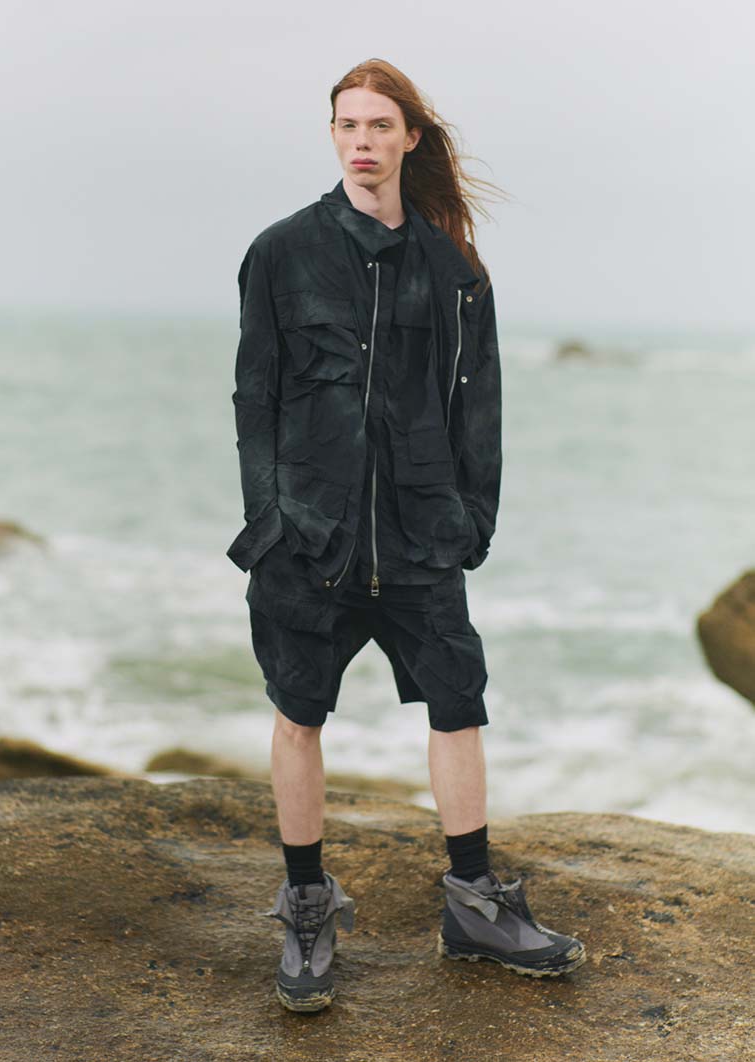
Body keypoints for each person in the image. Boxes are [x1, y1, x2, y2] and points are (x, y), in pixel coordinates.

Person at [227, 58, 587, 1013]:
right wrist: (270, 519)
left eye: (379, 125)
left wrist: (474, 518)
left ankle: (473, 904)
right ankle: (307, 908)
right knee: (298, 714)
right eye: (348, 125)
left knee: (458, 704)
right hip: (312, 537)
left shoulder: (453, 268)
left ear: (408, 138)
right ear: (331, 135)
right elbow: (254, 396)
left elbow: (480, 404)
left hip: (423, 534)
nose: (362, 141)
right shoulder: (282, 252)